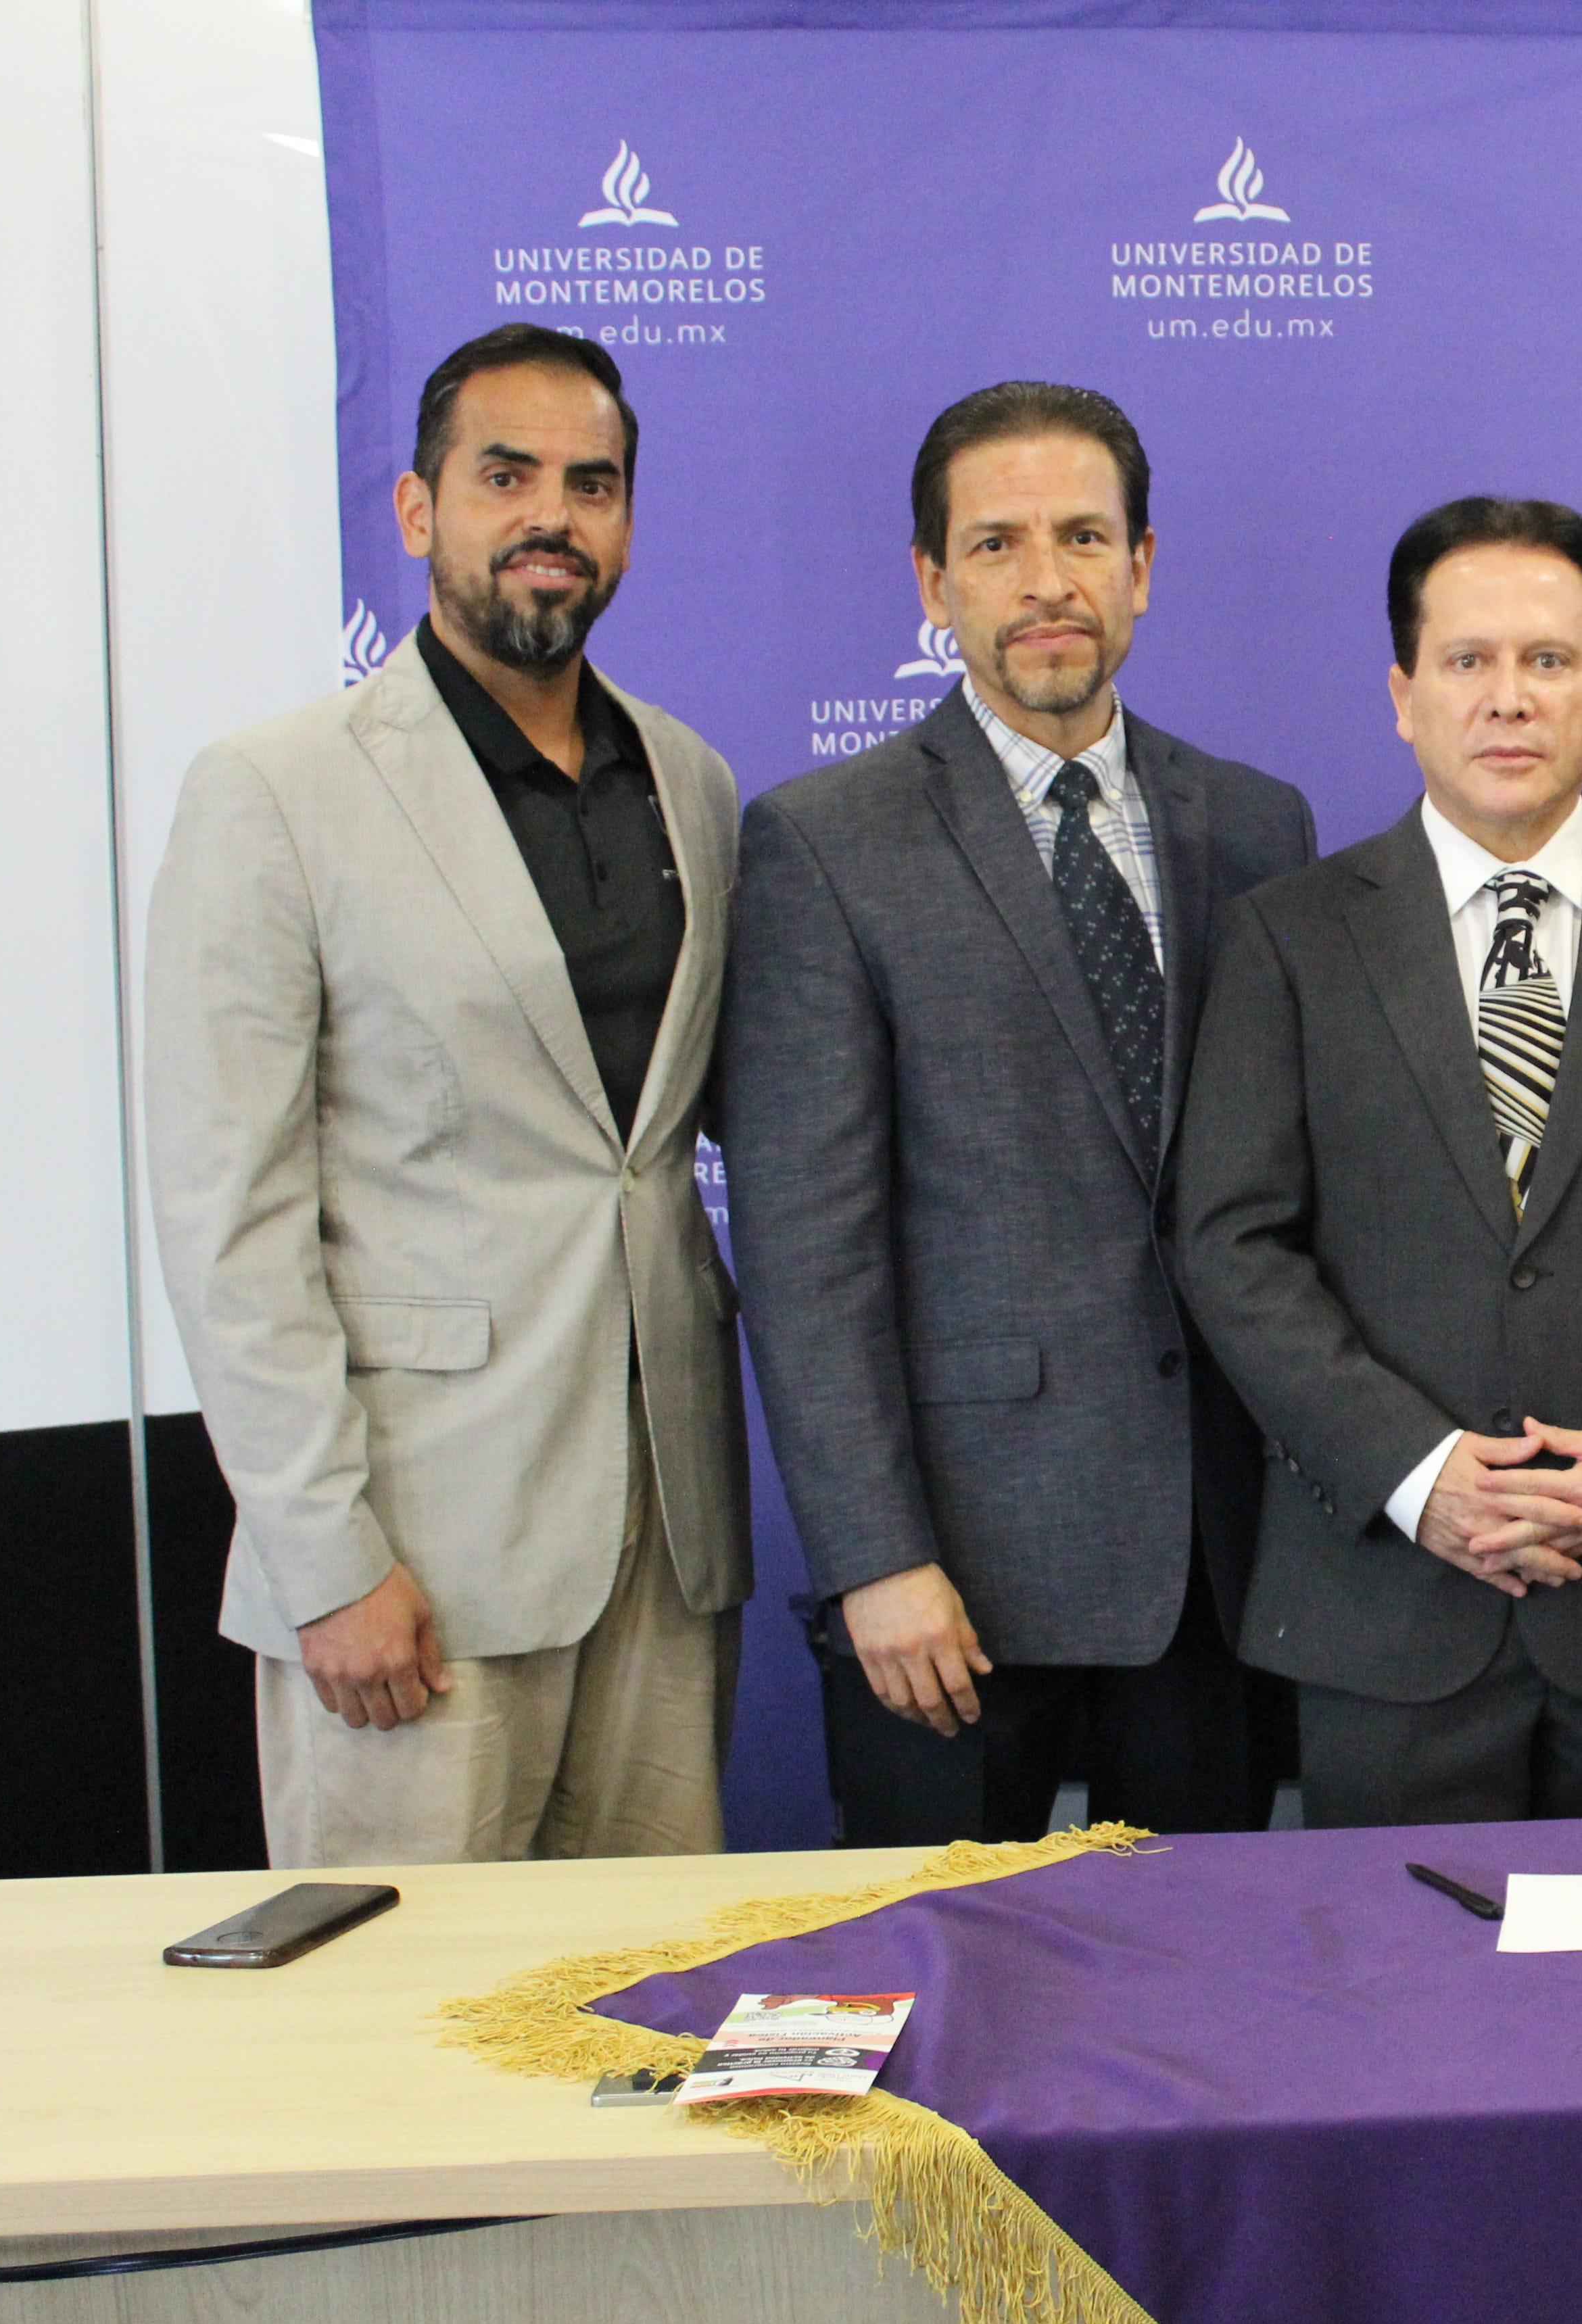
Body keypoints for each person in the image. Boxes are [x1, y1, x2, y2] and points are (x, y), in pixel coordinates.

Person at [147, 323, 748, 1864]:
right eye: (507, 476)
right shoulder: (277, 792)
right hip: (411, 1561)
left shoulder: (693, 780)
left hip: (664, 1550)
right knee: (402, 2053)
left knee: (641, 2028)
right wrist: (322, 1558)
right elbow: (230, 1219)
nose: (553, 513)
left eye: (592, 483)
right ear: (418, 511)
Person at [1174, 497, 1582, 1827]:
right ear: (1403, 696)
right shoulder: (1291, 938)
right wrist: (1416, 1473)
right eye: (1467, 661)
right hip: (1386, 1607)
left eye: (1547, 662)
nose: (1508, 699)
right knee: (1402, 2010)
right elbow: (1233, 1244)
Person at [719, 383, 1314, 1845]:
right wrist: (874, 1558)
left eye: (1083, 537)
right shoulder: (825, 842)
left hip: (1213, 1565)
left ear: (1143, 568)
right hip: (954, 1585)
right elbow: (808, 1252)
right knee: (939, 2004)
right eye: (995, 545)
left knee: (1201, 2005)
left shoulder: (1256, 824)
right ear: (933, 582)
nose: (1046, 581)